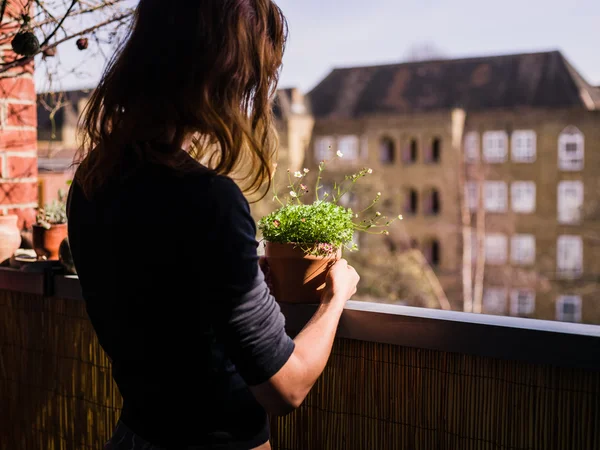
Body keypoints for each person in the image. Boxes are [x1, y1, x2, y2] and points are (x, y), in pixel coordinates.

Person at [66, 1, 360, 449]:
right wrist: (336, 296)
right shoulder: (208, 201)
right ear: (222, 73)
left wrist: (233, 285)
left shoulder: (92, 182)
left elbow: (165, 305)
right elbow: (286, 389)